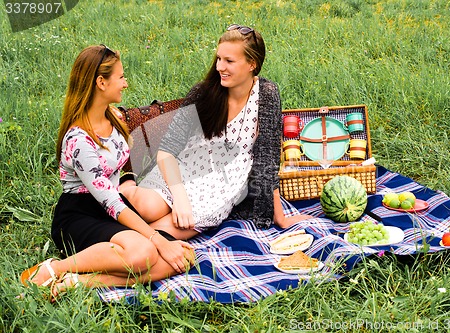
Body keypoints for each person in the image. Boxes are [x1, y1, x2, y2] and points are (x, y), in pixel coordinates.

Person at [20, 45, 195, 299]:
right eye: (121, 77)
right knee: (145, 253)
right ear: (101, 82)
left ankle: (78, 282)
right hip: (80, 214)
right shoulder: (79, 139)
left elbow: (121, 168)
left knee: (182, 257)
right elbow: (110, 201)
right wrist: (157, 239)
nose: (125, 83)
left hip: (112, 207)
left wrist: (129, 184)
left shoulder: (112, 117)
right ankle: (54, 268)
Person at [121, 25, 310, 240]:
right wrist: (180, 199)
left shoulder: (266, 94)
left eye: (229, 61)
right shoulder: (204, 92)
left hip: (219, 189)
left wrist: (279, 217)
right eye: (219, 58)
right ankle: (122, 189)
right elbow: (167, 151)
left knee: (156, 235)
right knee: (146, 208)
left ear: (252, 64)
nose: (220, 66)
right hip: (182, 173)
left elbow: (267, 158)